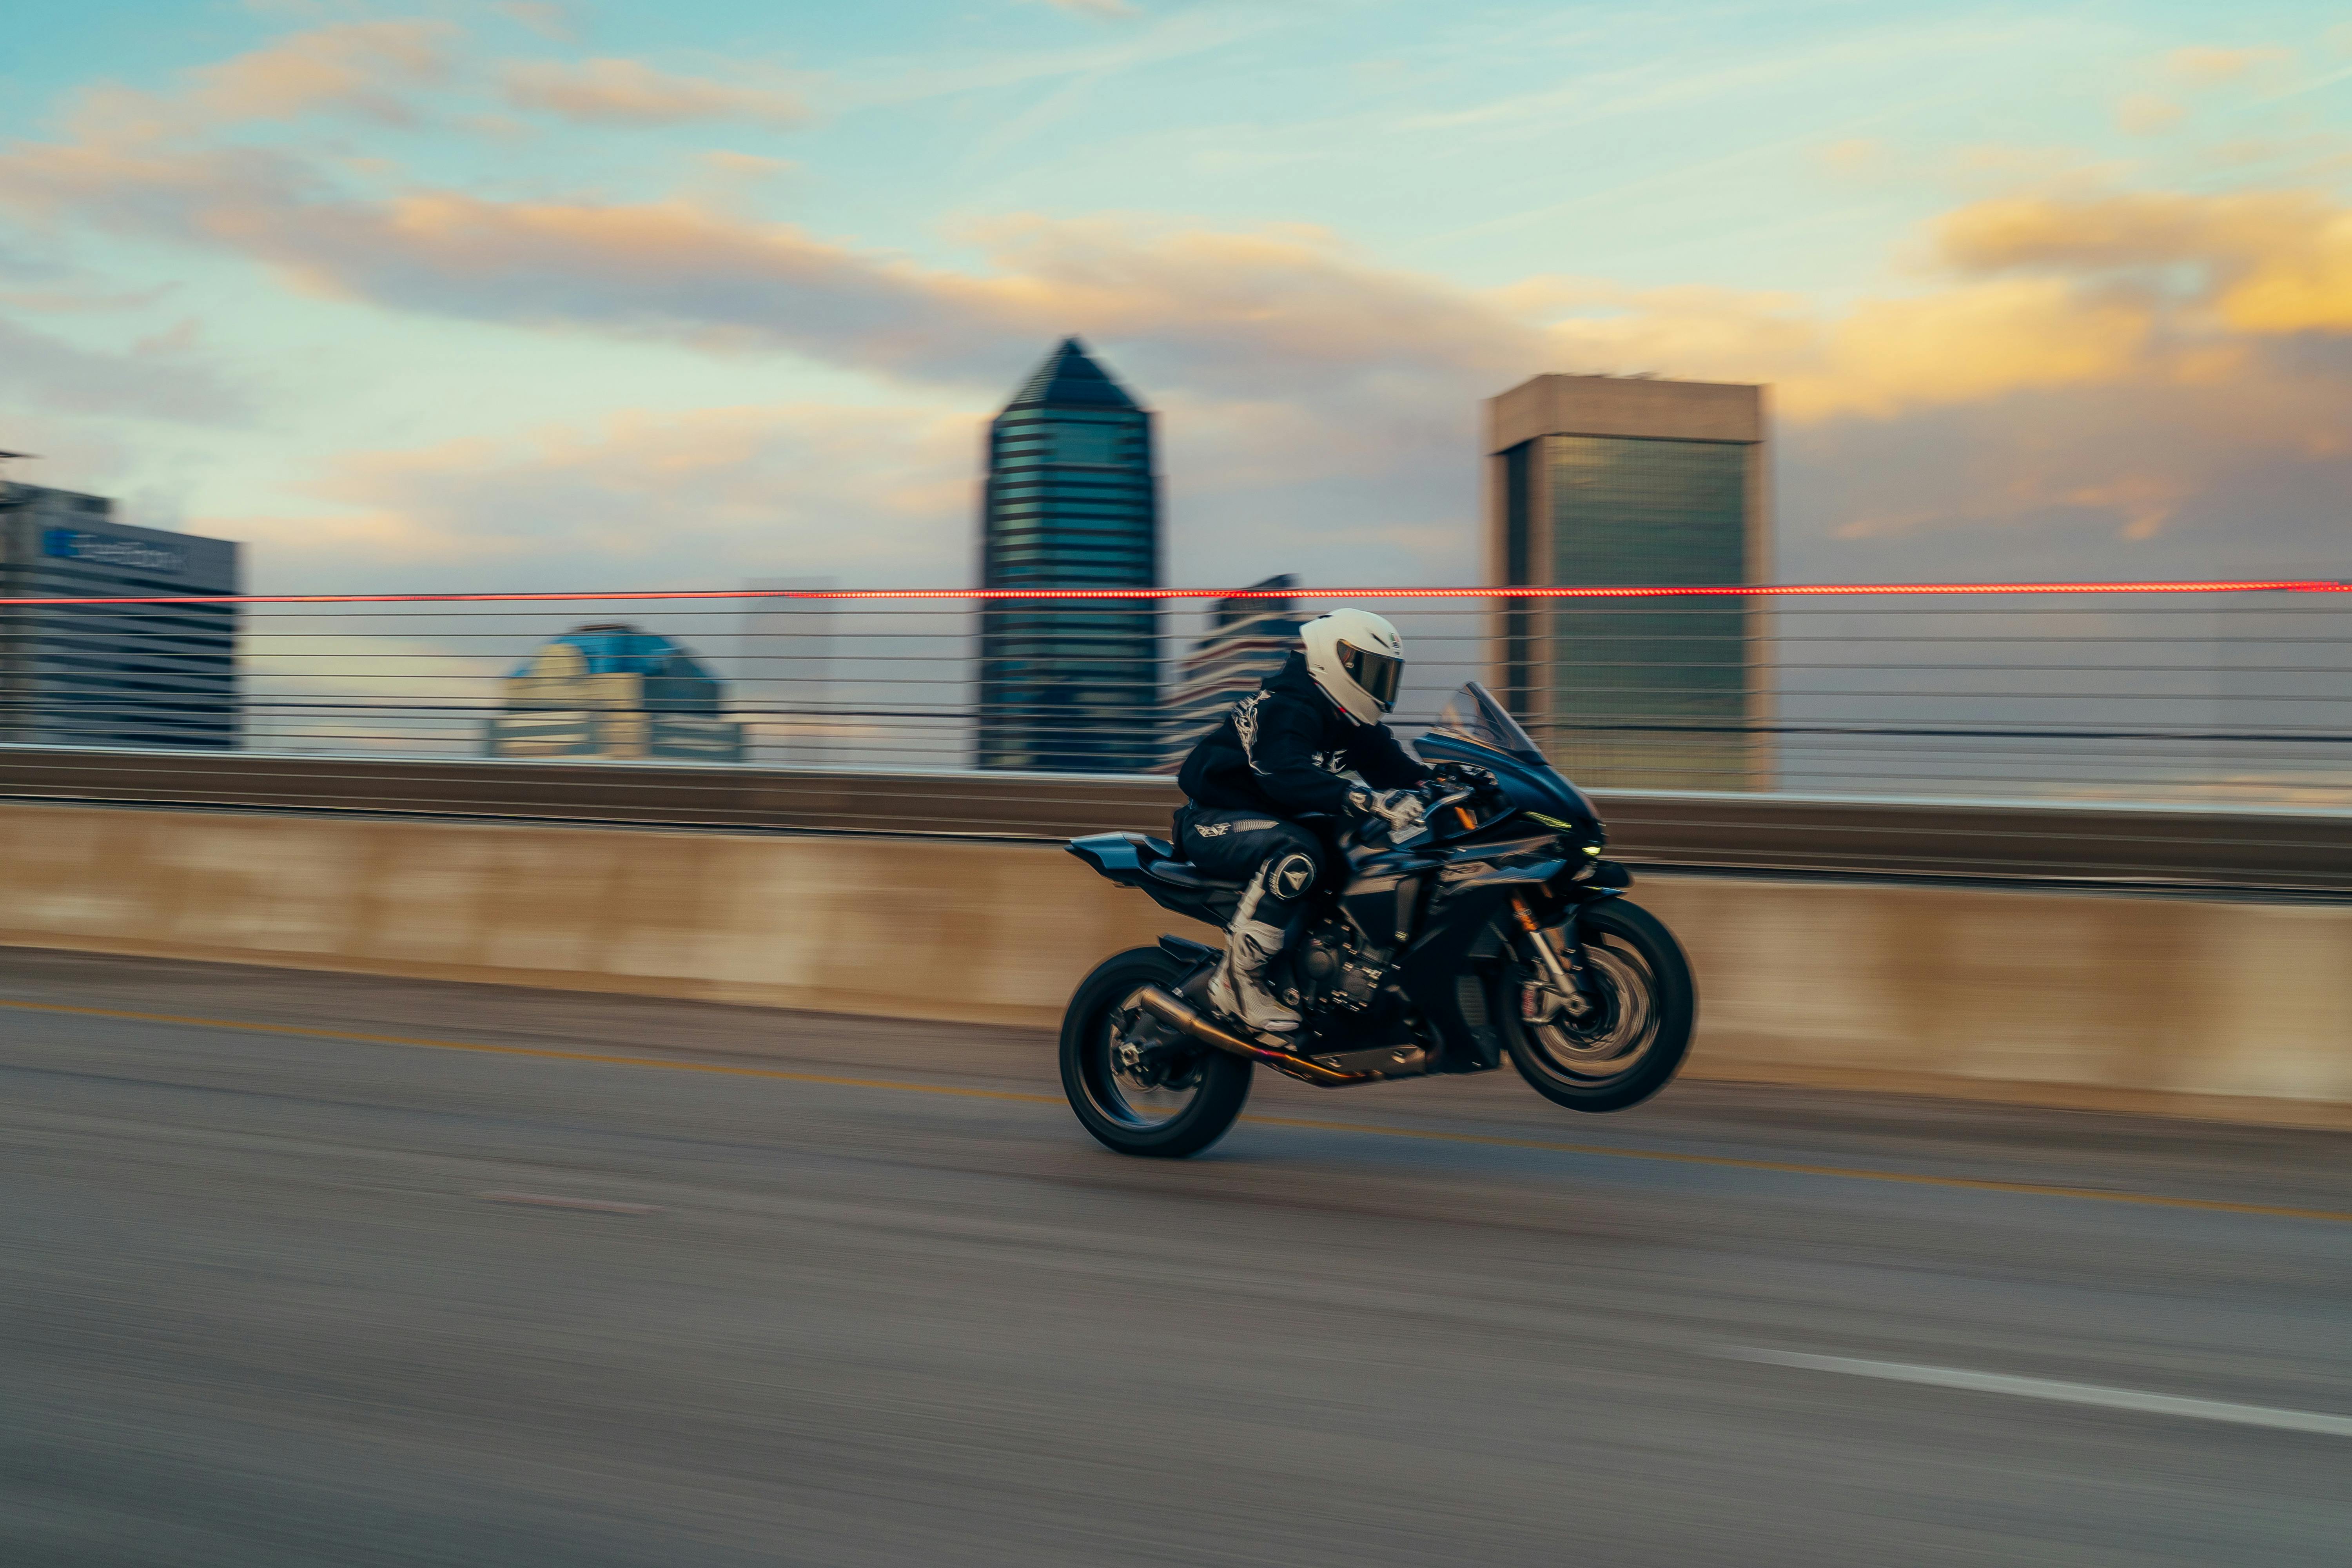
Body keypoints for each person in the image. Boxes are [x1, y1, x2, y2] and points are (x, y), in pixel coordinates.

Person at [1174, 608, 1432, 1036]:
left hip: (1269, 822)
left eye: (1387, 673)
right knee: (1299, 853)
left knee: (1368, 845)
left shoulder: (1352, 724)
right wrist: (1364, 798)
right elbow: (1284, 775)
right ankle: (1238, 981)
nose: (1380, 683)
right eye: (1371, 669)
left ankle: (1328, 969)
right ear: (1337, 660)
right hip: (1213, 822)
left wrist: (1454, 781)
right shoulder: (1286, 705)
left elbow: (1402, 773)